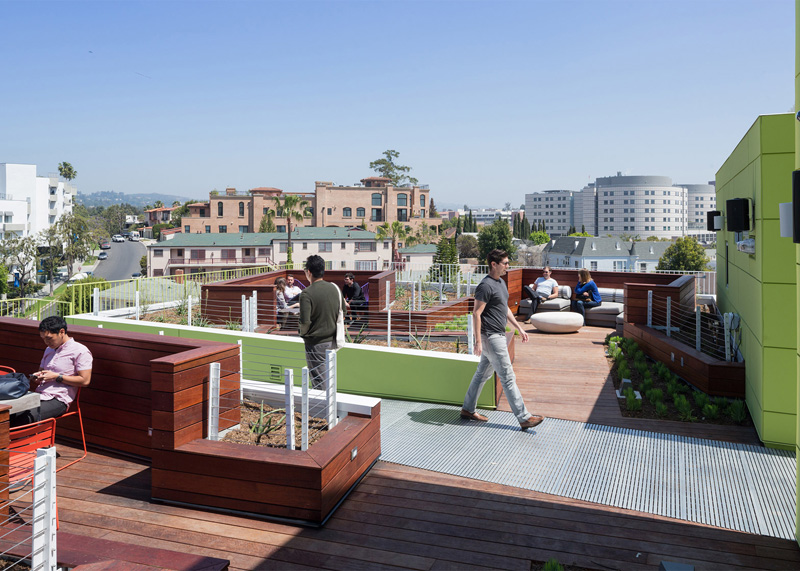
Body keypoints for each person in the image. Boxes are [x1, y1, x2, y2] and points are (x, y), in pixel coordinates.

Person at [461, 249, 544, 430]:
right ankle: (524, 417)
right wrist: (478, 342)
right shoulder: (485, 285)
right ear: (494, 264)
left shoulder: (501, 283)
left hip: (496, 334)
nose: (508, 266)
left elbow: (504, 308)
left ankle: (467, 409)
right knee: (507, 377)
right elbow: (477, 313)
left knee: (481, 375)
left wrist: (519, 328)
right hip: (491, 336)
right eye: (505, 263)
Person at [11, 316, 92, 427]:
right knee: (8, 414)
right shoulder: (49, 349)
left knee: (25, 418)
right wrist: (37, 377)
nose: (46, 342)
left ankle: (20, 444)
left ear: (61, 332)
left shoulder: (80, 351)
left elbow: (85, 381)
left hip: (59, 399)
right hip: (40, 395)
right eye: (43, 339)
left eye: (49, 338)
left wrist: (57, 376)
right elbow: (41, 374)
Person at [299, 255, 345, 389]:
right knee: (329, 377)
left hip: (316, 344)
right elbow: (343, 313)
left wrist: (302, 334)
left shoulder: (306, 294)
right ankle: (330, 408)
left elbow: (305, 322)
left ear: (309, 272)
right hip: (333, 341)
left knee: (319, 382)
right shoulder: (335, 288)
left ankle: (323, 409)